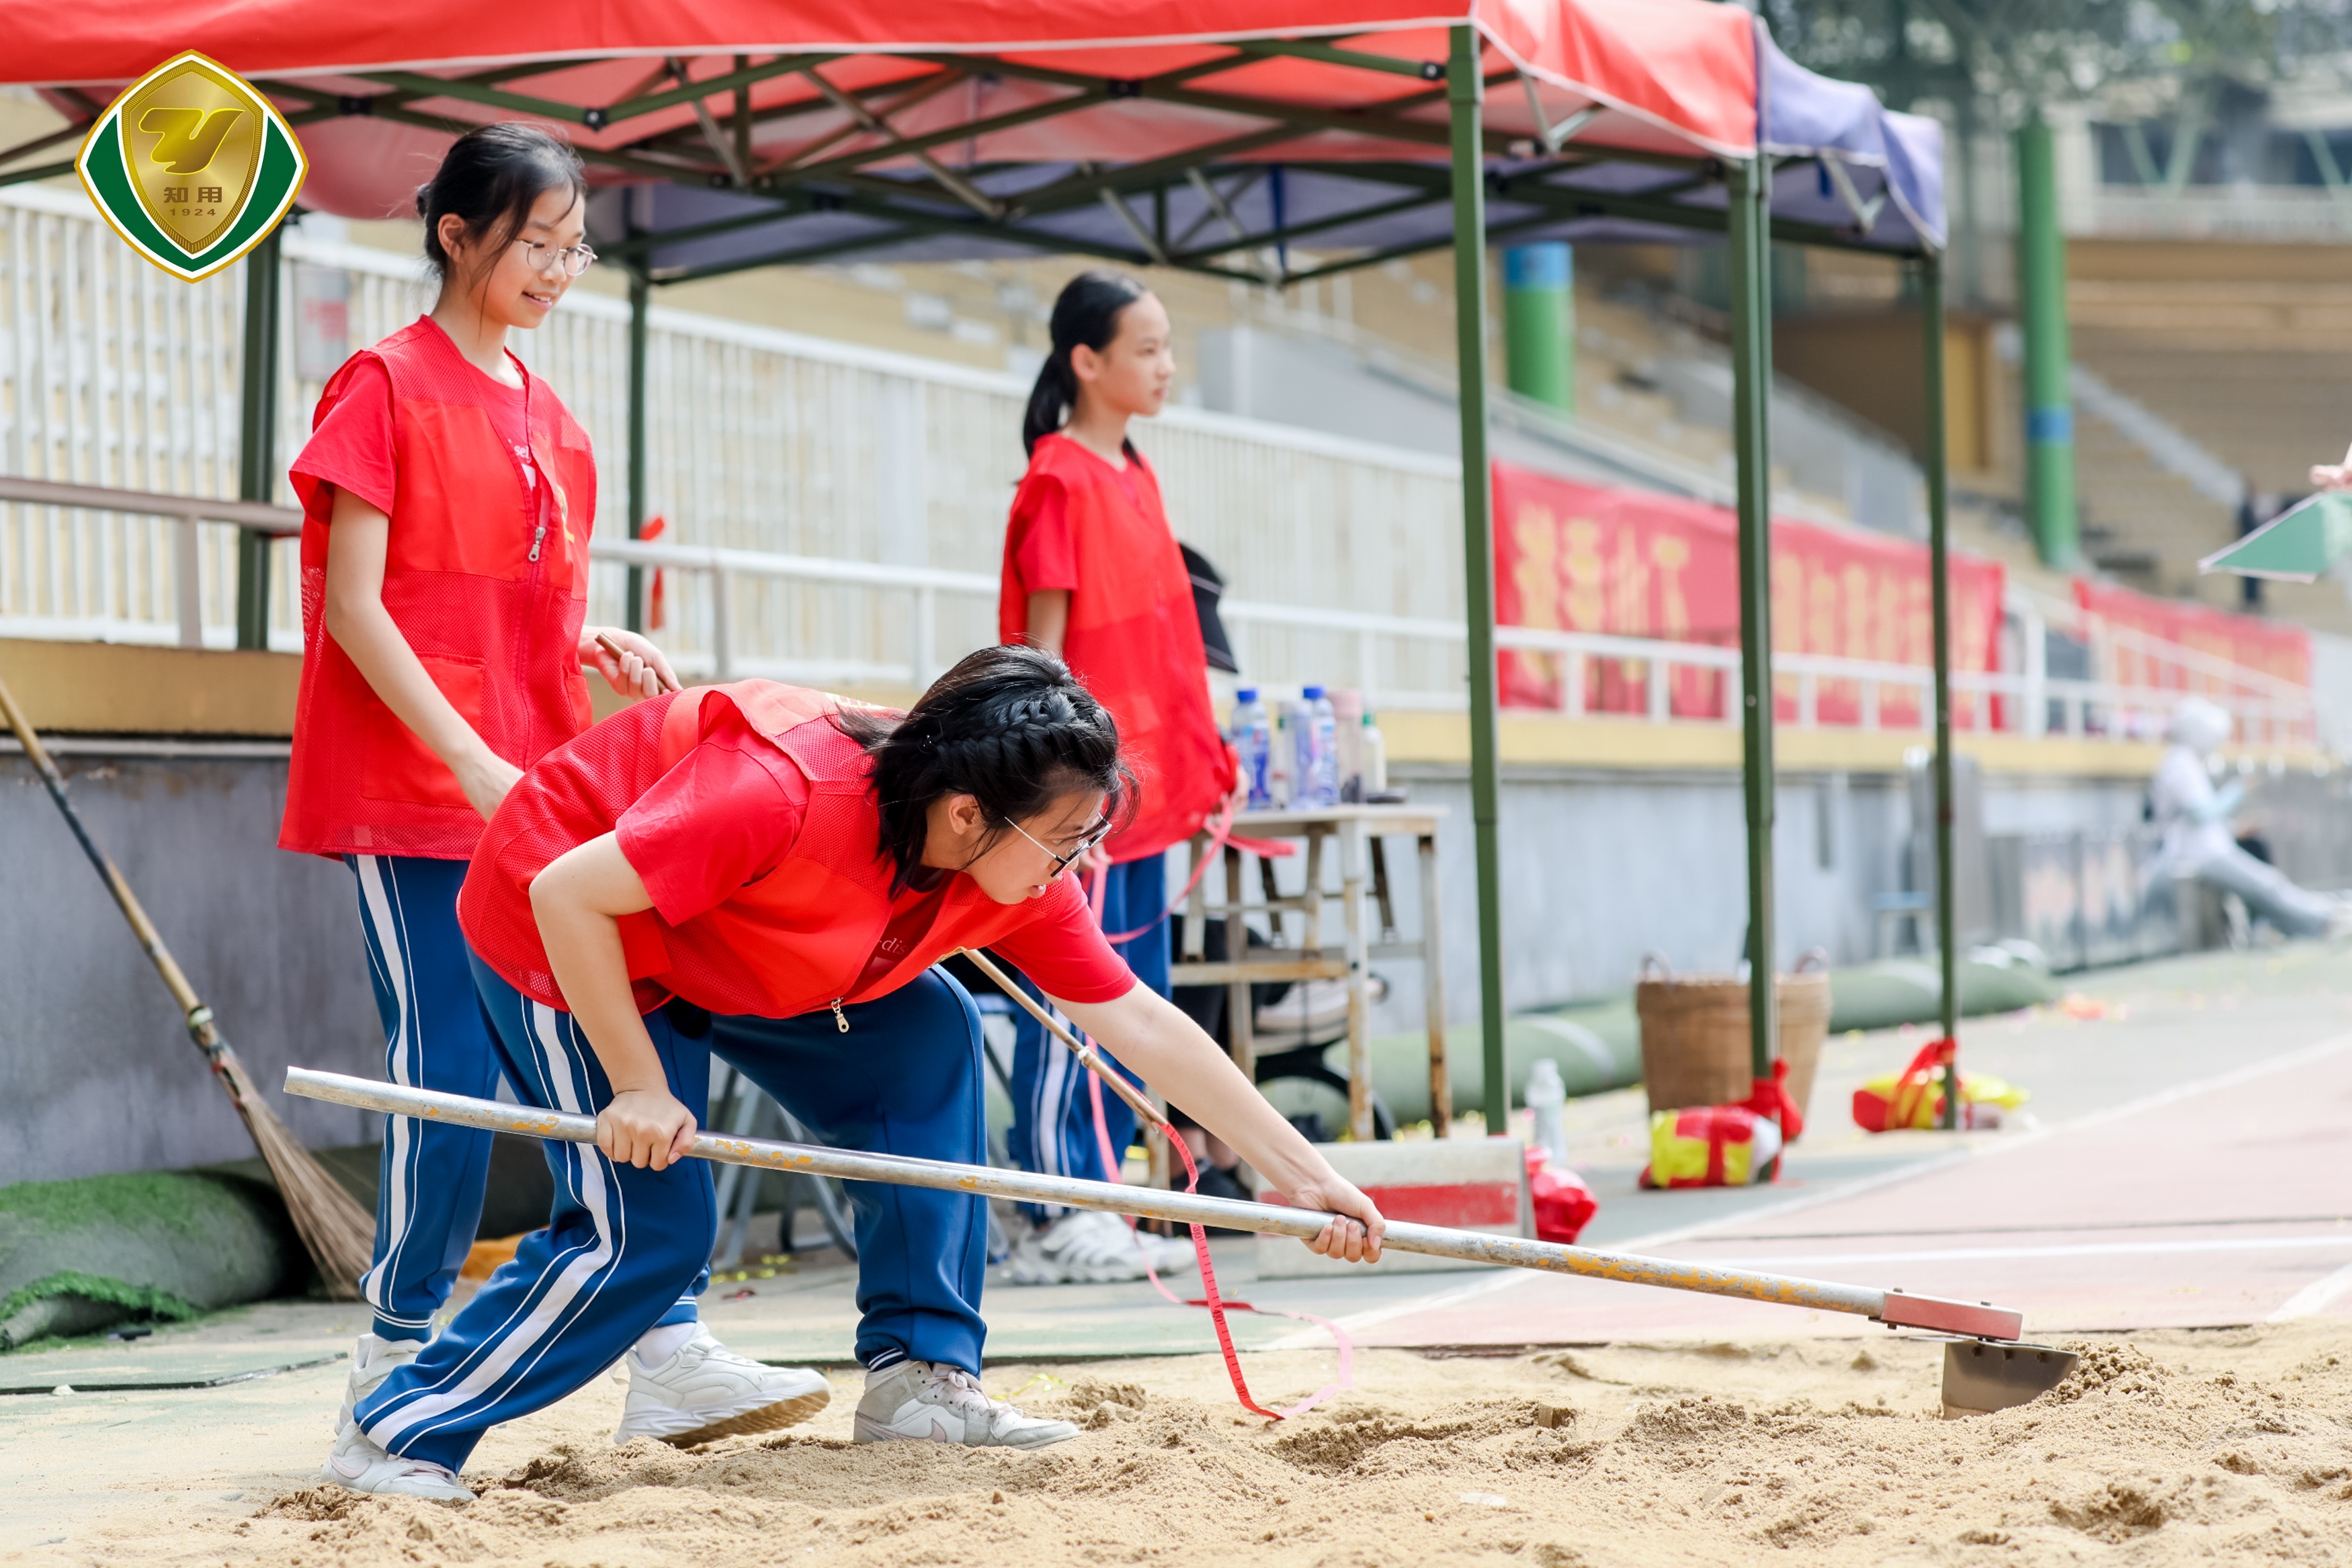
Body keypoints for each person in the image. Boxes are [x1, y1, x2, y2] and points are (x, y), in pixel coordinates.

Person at [318, 646, 1387, 1500]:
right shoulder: (780, 792)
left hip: (739, 949)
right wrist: (639, 1084)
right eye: (1063, 841)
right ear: (966, 812)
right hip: (573, 930)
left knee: (929, 1035)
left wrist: (1301, 1176)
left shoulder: (1014, 871)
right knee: (652, 1228)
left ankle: (921, 1378)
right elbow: (567, 893)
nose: (1076, 867)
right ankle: (399, 1423)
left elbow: (1138, 1021)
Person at [284, 124, 792, 1461]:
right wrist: (462, 755)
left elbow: (492, 591)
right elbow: (356, 604)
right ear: (458, 234)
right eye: (538, 244)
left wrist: (587, 642)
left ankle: (665, 1339)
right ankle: (394, 1349)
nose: (561, 269)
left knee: (600, 1059)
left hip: (541, 789)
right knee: (449, 1074)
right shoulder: (381, 385)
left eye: (576, 249)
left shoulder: (550, 418)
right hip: (417, 790)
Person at [994, 271, 1238, 1284]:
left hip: (1151, 791)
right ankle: (1058, 1202)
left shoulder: (1135, 472)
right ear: (1085, 361)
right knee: (1076, 995)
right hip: (1083, 800)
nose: (1166, 366)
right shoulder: (1058, 476)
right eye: (1147, 348)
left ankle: (1112, 1194)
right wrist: (1059, 796)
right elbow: (1042, 661)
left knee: (1139, 997)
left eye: (1168, 346)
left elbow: (1171, 646)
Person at [2150, 697, 2348, 939]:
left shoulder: (2186, 762)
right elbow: (2201, 814)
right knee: (2265, 884)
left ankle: (2314, 919)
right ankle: (2322, 919)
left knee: (2266, 883)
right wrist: (2239, 789)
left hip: (2208, 849)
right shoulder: (2180, 764)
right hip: (2200, 854)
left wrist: (2236, 827)